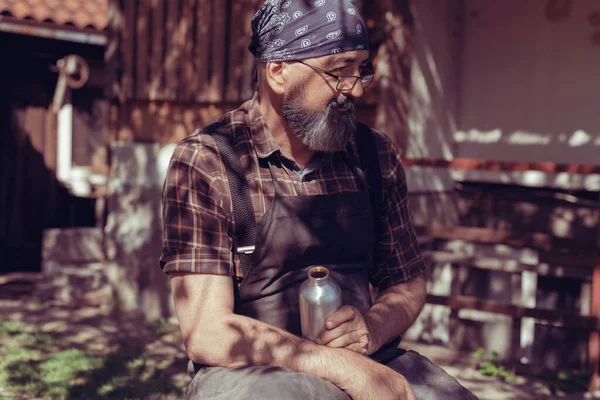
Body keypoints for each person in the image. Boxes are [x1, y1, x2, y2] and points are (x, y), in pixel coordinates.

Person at [160, 1, 479, 399]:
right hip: (251, 371)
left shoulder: (374, 156)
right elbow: (206, 330)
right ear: (278, 72)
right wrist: (340, 367)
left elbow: (407, 281)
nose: (356, 88)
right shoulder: (210, 162)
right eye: (338, 72)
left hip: (367, 356)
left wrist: (371, 328)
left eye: (361, 69)